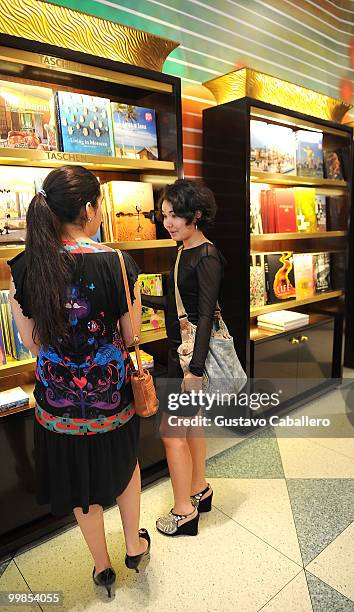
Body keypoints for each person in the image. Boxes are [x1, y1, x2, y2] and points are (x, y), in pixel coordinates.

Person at [8, 166, 150, 598]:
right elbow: (130, 336)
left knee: (78, 483)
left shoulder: (26, 266)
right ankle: (133, 547)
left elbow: (32, 343)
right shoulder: (118, 263)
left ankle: (102, 567)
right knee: (125, 465)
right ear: (90, 209)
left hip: (57, 402)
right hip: (112, 398)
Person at [141, 179, 225, 537]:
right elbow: (183, 307)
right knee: (190, 427)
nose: (168, 222)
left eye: (176, 215)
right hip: (182, 355)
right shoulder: (184, 250)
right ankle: (200, 489)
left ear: (197, 215)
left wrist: (195, 370)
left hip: (191, 360)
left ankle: (183, 511)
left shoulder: (206, 255)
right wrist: (143, 299)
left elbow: (206, 315)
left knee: (172, 435)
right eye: (165, 215)